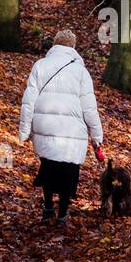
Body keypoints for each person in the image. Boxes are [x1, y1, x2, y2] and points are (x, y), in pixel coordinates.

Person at [18, 28, 105, 225]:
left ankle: (48, 207)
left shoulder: (40, 65)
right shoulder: (81, 72)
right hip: (73, 132)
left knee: (48, 167)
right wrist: (96, 135)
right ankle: (63, 213)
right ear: (73, 47)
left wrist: (24, 131)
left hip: (45, 127)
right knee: (69, 173)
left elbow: (29, 101)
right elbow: (89, 107)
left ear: (54, 45)